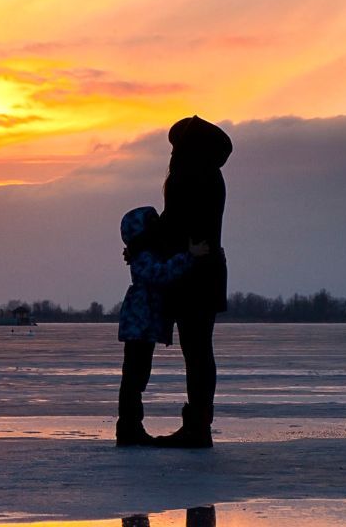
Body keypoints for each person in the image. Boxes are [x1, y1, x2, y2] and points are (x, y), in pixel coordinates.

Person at [152, 115, 231, 448]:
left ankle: (198, 426)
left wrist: (146, 240)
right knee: (198, 349)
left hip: (194, 273)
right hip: (204, 270)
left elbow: (175, 224)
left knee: (196, 349)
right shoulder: (209, 176)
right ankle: (199, 422)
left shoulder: (192, 177)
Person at [115, 206, 209, 446]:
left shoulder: (145, 253)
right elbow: (161, 274)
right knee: (134, 377)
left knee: (137, 376)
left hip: (143, 326)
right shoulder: (143, 256)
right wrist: (189, 256)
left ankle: (131, 425)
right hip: (139, 326)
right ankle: (128, 426)